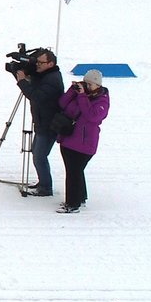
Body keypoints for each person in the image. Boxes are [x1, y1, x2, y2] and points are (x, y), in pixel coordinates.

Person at [56, 69, 111, 213]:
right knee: (75, 171)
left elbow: (92, 116)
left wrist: (81, 96)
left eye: (91, 85)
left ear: (98, 86)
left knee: (74, 172)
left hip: (85, 143)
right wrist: (72, 91)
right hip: (69, 138)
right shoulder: (79, 94)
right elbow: (62, 104)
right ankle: (80, 197)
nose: (87, 87)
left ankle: (73, 204)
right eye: (86, 83)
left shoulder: (102, 100)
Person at [12, 48, 64, 197]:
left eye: (41, 62)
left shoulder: (52, 79)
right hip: (42, 122)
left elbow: (35, 95)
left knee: (39, 157)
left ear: (50, 63)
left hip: (48, 125)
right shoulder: (46, 75)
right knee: (37, 153)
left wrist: (22, 81)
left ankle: (46, 187)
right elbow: (34, 81)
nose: (37, 65)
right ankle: (43, 183)